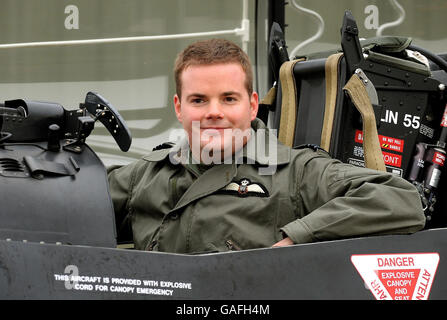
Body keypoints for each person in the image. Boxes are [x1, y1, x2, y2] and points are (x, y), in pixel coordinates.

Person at [107, 38, 425, 253]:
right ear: (179, 107)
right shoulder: (144, 176)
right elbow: (71, 206)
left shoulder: (296, 173)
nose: (213, 111)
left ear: (252, 104)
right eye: (198, 100)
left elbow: (400, 200)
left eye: (229, 99)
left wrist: (297, 238)